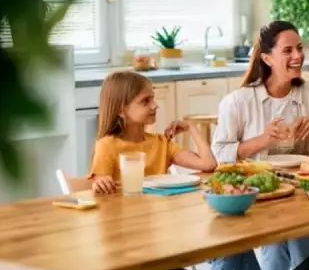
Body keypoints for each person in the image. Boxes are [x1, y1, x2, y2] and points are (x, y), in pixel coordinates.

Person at [211, 20, 309, 270]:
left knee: (286, 244)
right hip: (259, 197)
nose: (298, 56)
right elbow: (220, 153)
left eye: (300, 48)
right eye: (288, 51)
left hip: (303, 191)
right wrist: (262, 140)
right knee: (292, 246)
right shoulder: (239, 102)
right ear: (267, 58)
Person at [89, 71, 218, 194]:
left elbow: (208, 164)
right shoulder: (106, 146)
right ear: (121, 111)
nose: (155, 105)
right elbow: (101, 186)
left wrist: (191, 127)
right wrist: (100, 184)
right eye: (145, 101)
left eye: (153, 98)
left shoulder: (161, 143)